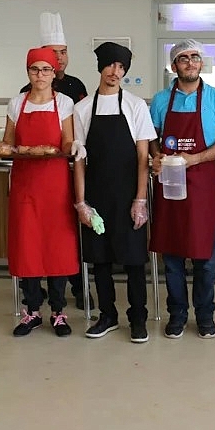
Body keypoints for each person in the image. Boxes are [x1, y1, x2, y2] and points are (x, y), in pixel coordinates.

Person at [0, 47, 80, 337]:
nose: (40, 75)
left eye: (46, 69)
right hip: (24, 186)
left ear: (54, 73)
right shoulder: (17, 103)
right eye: (35, 69)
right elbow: (9, 143)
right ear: (28, 72)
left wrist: (74, 146)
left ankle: (58, 312)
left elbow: (66, 142)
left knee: (57, 247)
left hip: (56, 186)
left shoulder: (64, 102)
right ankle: (31, 311)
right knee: (27, 246)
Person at [73, 42, 157, 343]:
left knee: (134, 260)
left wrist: (140, 199)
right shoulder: (83, 108)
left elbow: (143, 156)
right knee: (101, 259)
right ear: (101, 67)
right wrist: (81, 203)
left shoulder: (135, 105)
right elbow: (79, 159)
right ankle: (107, 315)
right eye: (110, 65)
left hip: (128, 194)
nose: (115, 71)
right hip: (96, 193)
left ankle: (138, 319)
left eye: (121, 67)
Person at [149, 39, 215, 339]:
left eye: (195, 57)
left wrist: (194, 158)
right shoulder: (160, 100)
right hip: (170, 183)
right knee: (172, 257)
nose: (190, 62)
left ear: (201, 63)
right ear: (174, 66)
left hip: (204, 183)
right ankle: (177, 314)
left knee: (205, 259)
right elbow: (152, 138)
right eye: (183, 58)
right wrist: (157, 157)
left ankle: (205, 314)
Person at [20, 11, 90, 309]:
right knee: (32, 237)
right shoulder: (24, 95)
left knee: (66, 236)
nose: (59, 59)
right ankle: (34, 295)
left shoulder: (75, 87)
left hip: (68, 173)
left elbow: (81, 126)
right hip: (33, 178)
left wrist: (78, 147)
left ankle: (77, 288)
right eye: (53, 53)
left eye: (63, 52)